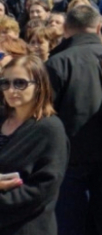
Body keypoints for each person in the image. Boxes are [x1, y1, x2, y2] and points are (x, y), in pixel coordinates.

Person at [45, 5, 102, 235]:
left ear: (66, 29)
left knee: (70, 225)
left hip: (70, 157)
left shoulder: (57, 62)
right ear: (99, 27)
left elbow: (43, 114)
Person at [0, 54, 69, 234]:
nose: (11, 90)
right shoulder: (1, 118)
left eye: (20, 83)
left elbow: (42, 189)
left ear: (39, 85)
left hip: (27, 227)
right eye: (5, 83)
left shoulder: (50, 129)